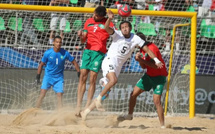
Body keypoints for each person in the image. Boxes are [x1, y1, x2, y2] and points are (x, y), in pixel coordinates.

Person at [80, 9, 164, 120]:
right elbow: (106, 28)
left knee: (107, 91)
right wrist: (109, 18)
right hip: (109, 61)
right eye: (123, 27)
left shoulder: (135, 38)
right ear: (121, 29)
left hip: (118, 67)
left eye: (126, 27)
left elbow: (147, 50)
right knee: (113, 81)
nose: (124, 29)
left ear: (130, 28)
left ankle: (86, 111)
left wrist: (157, 60)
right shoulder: (117, 34)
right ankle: (98, 99)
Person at [117, 32, 168, 129]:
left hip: (159, 77)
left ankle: (162, 126)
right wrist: (139, 59)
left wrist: (140, 60)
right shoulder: (142, 49)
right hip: (149, 76)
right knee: (133, 94)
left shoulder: (151, 49)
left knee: (157, 101)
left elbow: (155, 66)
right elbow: (144, 66)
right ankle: (130, 115)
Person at [75, 6, 115, 117]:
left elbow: (113, 34)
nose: (95, 16)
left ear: (102, 16)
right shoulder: (88, 21)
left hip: (99, 52)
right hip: (88, 51)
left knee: (92, 78)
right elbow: (83, 40)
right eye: (95, 14)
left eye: (98, 16)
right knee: (83, 76)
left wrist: (110, 19)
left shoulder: (108, 23)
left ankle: (87, 106)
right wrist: (81, 36)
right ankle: (78, 105)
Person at [35, 36, 80, 109]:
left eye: (60, 42)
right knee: (42, 94)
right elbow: (41, 65)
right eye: (57, 42)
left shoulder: (65, 53)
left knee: (60, 95)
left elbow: (74, 62)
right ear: (53, 43)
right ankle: (35, 110)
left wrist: (79, 72)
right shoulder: (48, 53)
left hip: (59, 78)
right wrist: (38, 77)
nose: (58, 44)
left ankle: (60, 113)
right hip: (48, 77)